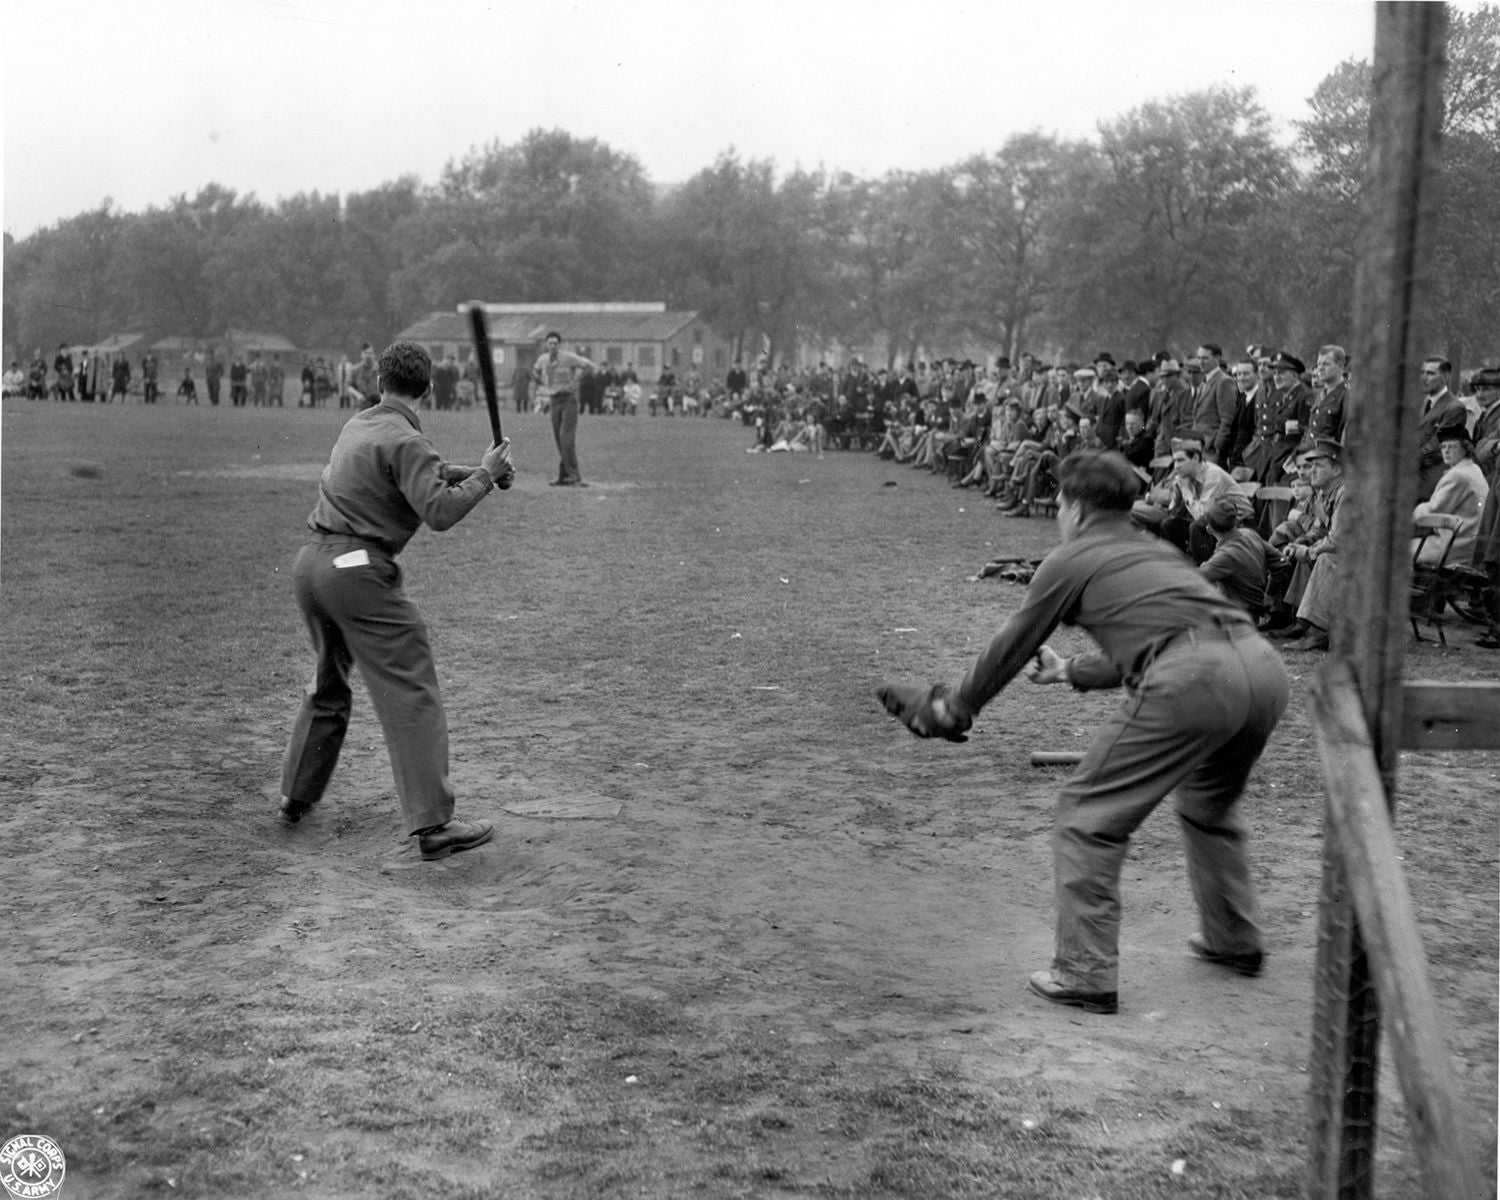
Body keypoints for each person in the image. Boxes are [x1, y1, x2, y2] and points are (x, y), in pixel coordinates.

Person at [884, 449, 1289, 1014]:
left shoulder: (1071, 556)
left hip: (1195, 680)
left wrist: (955, 707)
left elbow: (1012, 643)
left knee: (1087, 814)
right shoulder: (1156, 549)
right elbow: (1171, 636)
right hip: (1262, 669)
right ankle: (1233, 939)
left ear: (1071, 507)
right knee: (1208, 803)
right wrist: (1071, 670)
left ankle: (1085, 974)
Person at [277, 341, 516, 860]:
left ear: (379, 383)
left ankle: (295, 795)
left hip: (311, 566)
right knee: (409, 682)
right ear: (428, 388)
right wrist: (482, 477)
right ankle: (433, 826)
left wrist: (477, 472)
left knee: (328, 683)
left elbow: (416, 473)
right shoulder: (410, 441)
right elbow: (440, 512)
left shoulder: (359, 424)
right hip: (354, 573)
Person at [531, 331, 594, 486]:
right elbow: (536, 371)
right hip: (554, 400)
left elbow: (589, 366)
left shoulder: (568, 357)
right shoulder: (543, 359)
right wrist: (542, 382)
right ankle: (564, 475)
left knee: (566, 439)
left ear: (559, 345)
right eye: (550, 343)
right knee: (559, 439)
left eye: (555, 343)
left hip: (568, 400)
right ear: (546, 345)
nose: (553, 346)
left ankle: (574, 476)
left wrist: (577, 379)